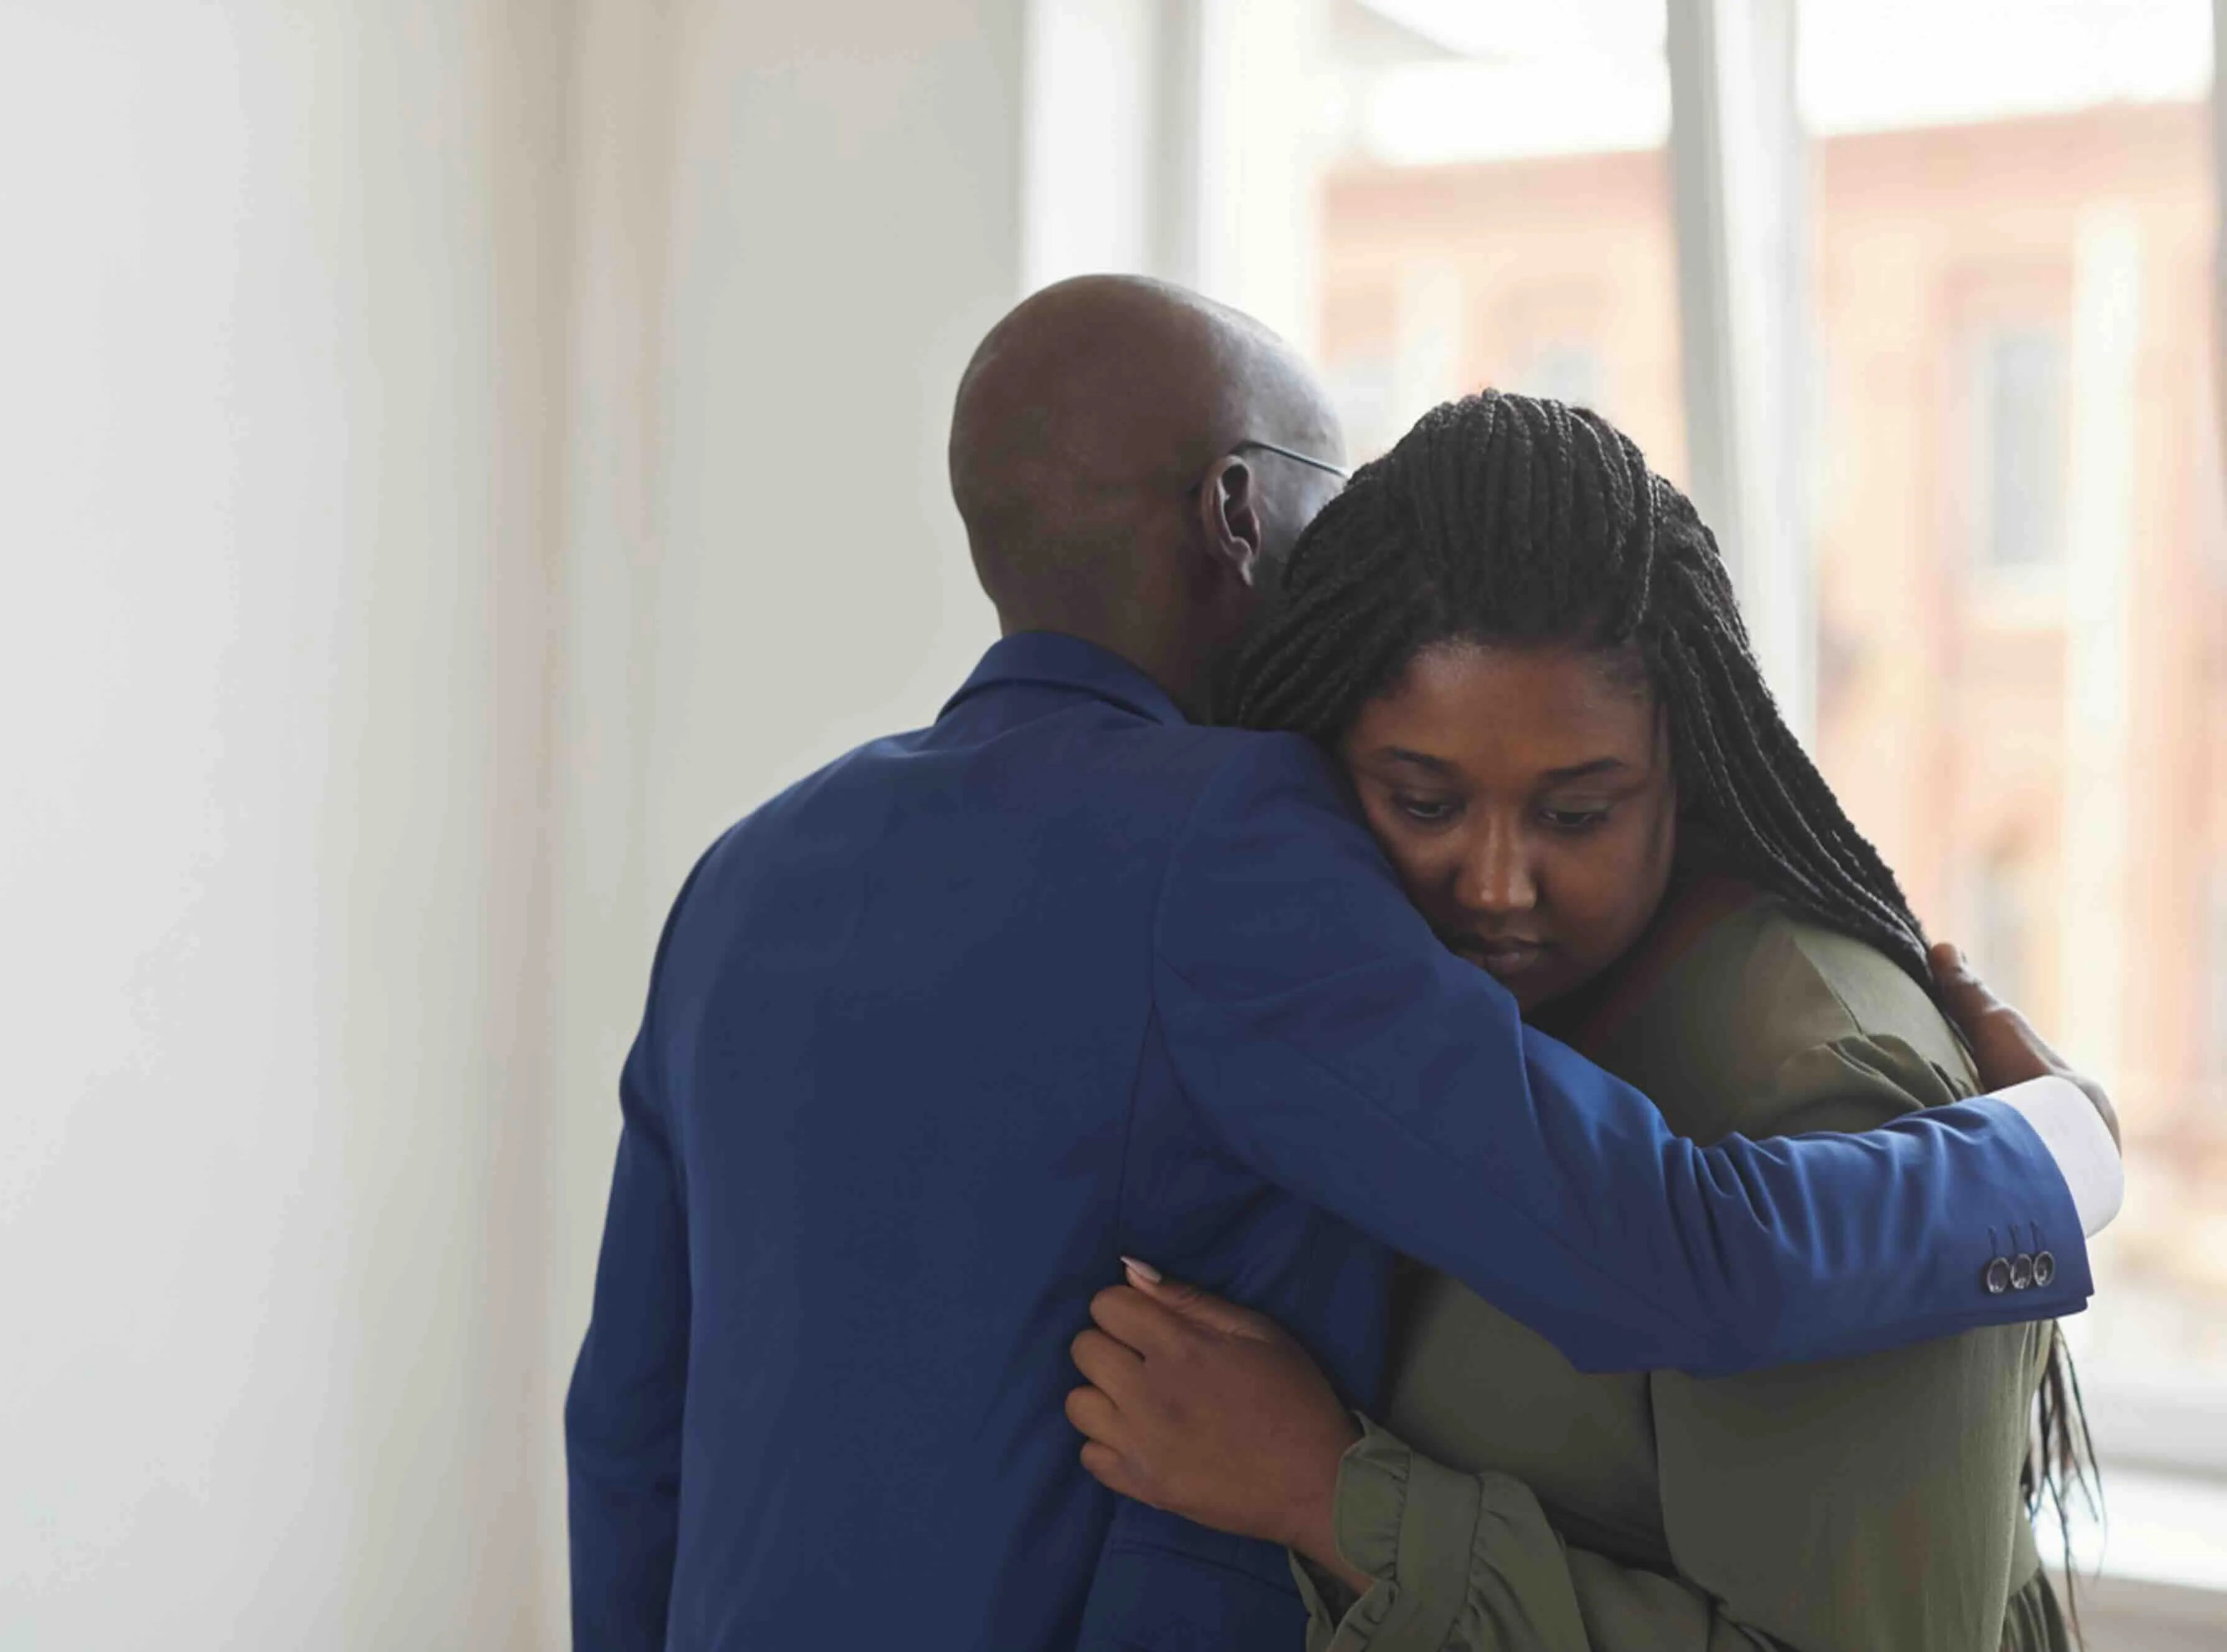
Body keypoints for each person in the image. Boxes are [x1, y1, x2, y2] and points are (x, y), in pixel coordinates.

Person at [563, 278, 2120, 1651]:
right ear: (1238, 512)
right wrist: (2054, 1152)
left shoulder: (747, 872)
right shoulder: (1238, 840)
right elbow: (1673, 1254)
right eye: (1332, 495)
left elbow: (626, 1436)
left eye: (1575, 804)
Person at [1064, 391, 2090, 1651]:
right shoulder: (1379, 1003)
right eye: (1421, 801)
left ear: (1685, 765)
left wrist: (1325, 1494)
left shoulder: (1819, 1090)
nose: (1494, 884)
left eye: (1574, 813)